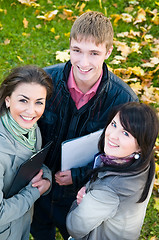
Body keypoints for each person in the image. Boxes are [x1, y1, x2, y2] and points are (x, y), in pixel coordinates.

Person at [31, 11, 139, 240]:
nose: (84, 62)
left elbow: (127, 160)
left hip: (81, 194)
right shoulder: (44, 81)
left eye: (94, 53)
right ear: (69, 45)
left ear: (108, 52)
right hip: (39, 185)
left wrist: (80, 175)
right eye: (77, 51)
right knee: (39, 231)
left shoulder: (124, 100)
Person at [66, 102, 159, 240]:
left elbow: (74, 227)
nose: (111, 135)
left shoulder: (107, 191)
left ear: (140, 146)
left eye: (126, 133)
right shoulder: (143, 161)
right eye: (114, 124)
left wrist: (82, 200)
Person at [0, 65, 53, 240]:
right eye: (23, 100)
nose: (31, 111)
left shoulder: (31, 128)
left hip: (20, 225)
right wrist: (34, 192)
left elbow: (32, 162)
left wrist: (46, 178)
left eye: (39, 102)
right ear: (8, 100)